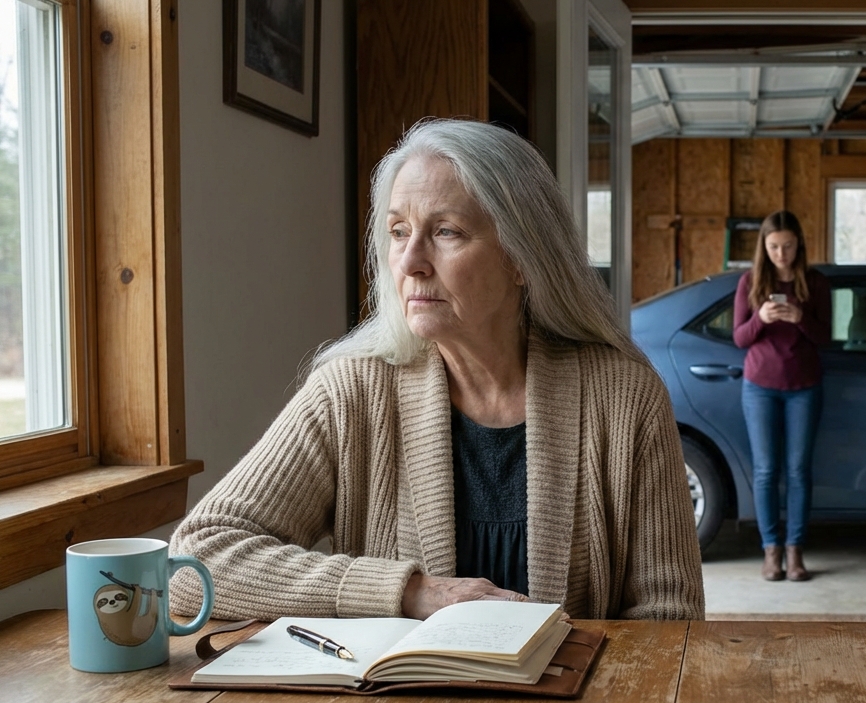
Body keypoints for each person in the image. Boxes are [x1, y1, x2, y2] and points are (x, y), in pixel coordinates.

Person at [169, 118, 705, 622]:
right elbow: (194, 563)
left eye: (446, 231)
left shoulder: (625, 397)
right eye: (399, 231)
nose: (408, 262)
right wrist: (409, 592)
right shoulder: (351, 392)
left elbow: (671, 621)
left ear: (522, 257)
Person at [732, 211, 831, 582]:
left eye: (788, 245)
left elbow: (825, 337)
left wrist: (798, 318)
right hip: (759, 387)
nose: (781, 253)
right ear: (764, 246)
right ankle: (770, 551)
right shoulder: (751, 281)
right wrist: (762, 317)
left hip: (804, 387)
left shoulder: (815, 282)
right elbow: (740, 338)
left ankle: (795, 552)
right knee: (766, 471)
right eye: (774, 246)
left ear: (799, 244)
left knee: (799, 471)